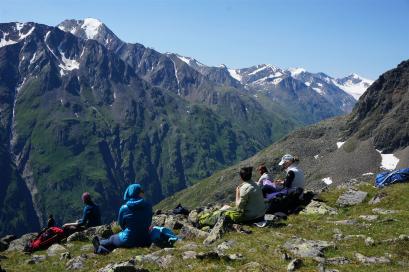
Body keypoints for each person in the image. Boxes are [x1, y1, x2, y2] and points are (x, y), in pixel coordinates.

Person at [93, 183, 153, 254]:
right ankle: (101, 243)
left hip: (128, 240)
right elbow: (149, 222)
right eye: (141, 191)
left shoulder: (124, 208)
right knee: (114, 240)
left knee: (112, 239)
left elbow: (121, 224)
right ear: (139, 193)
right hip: (145, 240)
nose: (143, 192)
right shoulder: (148, 206)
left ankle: (100, 244)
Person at [199, 167, 266, 226]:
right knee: (226, 207)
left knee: (222, 213)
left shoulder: (244, 188)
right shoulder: (257, 184)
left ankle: (201, 221)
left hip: (251, 218)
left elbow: (239, 207)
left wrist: (237, 192)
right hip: (261, 216)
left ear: (241, 177)